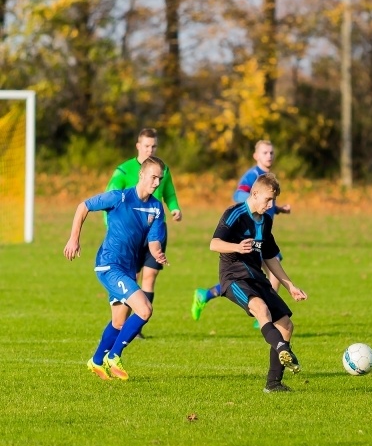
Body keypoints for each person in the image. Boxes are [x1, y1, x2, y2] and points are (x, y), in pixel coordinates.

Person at [64, 157, 168, 381]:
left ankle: (97, 361)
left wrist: (157, 251)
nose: (157, 182)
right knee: (145, 309)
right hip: (109, 265)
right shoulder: (119, 197)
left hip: (129, 268)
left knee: (119, 322)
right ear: (141, 175)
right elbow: (84, 206)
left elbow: (153, 240)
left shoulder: (156, 207)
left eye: (160, 178)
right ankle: (114, 355)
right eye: (153, 177)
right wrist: (74, 239)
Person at [210, 172, 307, 392]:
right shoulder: (234, 214)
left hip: (256, 277)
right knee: (260, 309)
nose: (271, 204)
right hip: (233, 277)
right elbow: (214, 243)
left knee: (285, 325)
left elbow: (270, 257)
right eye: (268, 200)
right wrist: (236, 247)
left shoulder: (266, 221)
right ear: (254, 193)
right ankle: (284, 349)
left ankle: (273, 383)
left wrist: (290, 285)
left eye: (273, 200)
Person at [191, 140, 291, 321]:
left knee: (251, 274)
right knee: (254, 272)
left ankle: (208, 296)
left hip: (262, 234)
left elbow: (267, 204)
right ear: (256, 156)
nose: (269, 156)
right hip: (248, 235)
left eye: (271, 153)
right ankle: (266, 314)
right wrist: (252, 205)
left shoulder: (269, 178)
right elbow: (238, 195)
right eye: (265, 152)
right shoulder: (252, 175)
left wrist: (279, 209)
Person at [107, 128, 182, 335]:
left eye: (154, 146)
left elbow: (169, 193)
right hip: (132, 233)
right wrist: (113, 227)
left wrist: (175, 208)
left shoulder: (163, 170)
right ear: (138, 146)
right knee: (134, 276)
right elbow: (110, 196)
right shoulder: (123, 170)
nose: (150, 149)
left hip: (156, 229)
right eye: (147, 145)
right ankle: (128, 318)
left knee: (150, 275)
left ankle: (139, 324)